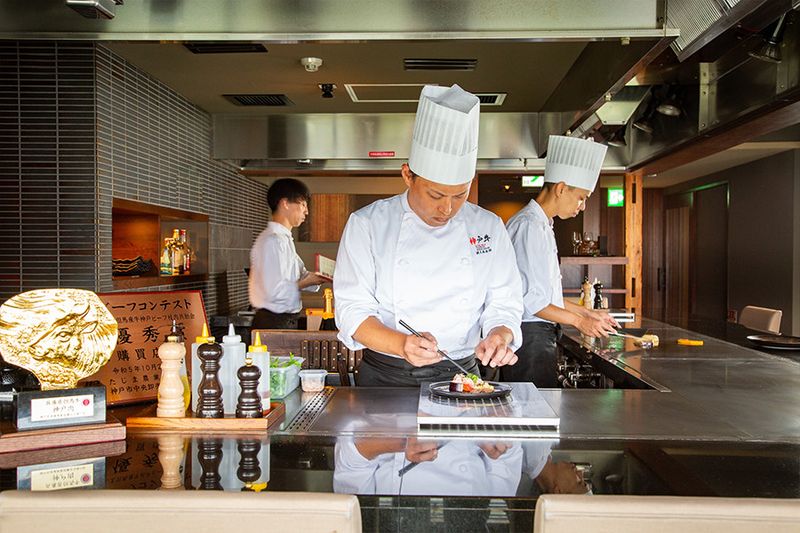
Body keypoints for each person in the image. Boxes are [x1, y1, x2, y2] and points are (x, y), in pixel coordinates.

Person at [334, 84, 523, 386]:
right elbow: (352, 312)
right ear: (408, 175)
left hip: (463, 378)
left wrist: (500, 334)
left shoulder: (488, 227)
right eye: (436, 194)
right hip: (386, 379)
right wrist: (400, 344)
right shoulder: (367, 224)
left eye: (460, 195)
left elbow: (505, 301)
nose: (447, 208)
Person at [503, 135, 618, 387]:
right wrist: (580, 321)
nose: (583, 206)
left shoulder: (544, 224)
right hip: (529, 337)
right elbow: (530, 301)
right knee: (532, 416)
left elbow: (547, 295)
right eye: (581, 197)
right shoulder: (528, 226)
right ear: (561, 188)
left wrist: (588, 313)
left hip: (540, 335)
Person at [249, 178, 329, 330]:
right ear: (285, 204)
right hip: (273, 321)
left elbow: (299, 275)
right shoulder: (273, 241)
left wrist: (319, 277)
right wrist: (307, 282)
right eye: (303, 204)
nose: (306, 211)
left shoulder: (285, 240)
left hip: (284, 320)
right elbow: (274, 291)